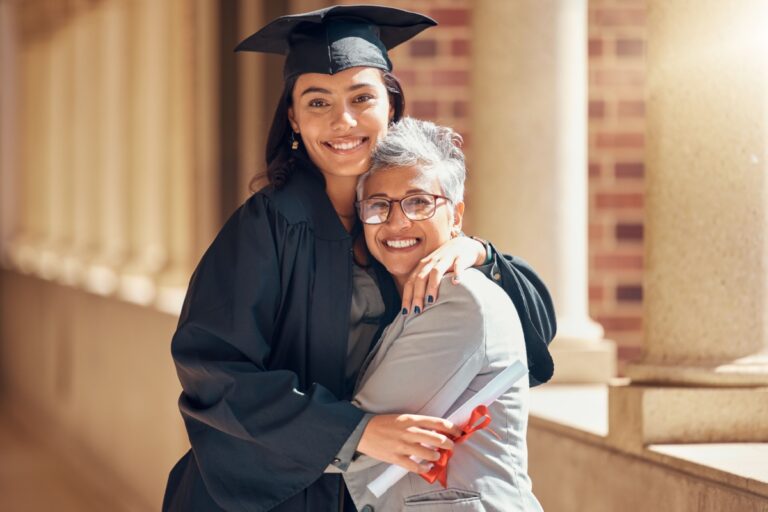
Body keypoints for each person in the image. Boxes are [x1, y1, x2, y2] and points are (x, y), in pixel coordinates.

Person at [162, 6, 555, 512]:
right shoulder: (269, 226)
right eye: (317, 101)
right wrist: (354, 432)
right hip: (267, 498)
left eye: (361, 97)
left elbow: (530, 330)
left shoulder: (407, 221)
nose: (341, 121)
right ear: (293, 118)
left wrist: (478, 252)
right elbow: (211, 367)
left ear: (391, 106)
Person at [338, 117, 543, 511]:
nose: (397, 222)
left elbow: (363, 428)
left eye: (418, 202)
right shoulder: (392, 300)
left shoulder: (460, 299)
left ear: (456, 216)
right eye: (379, 206)